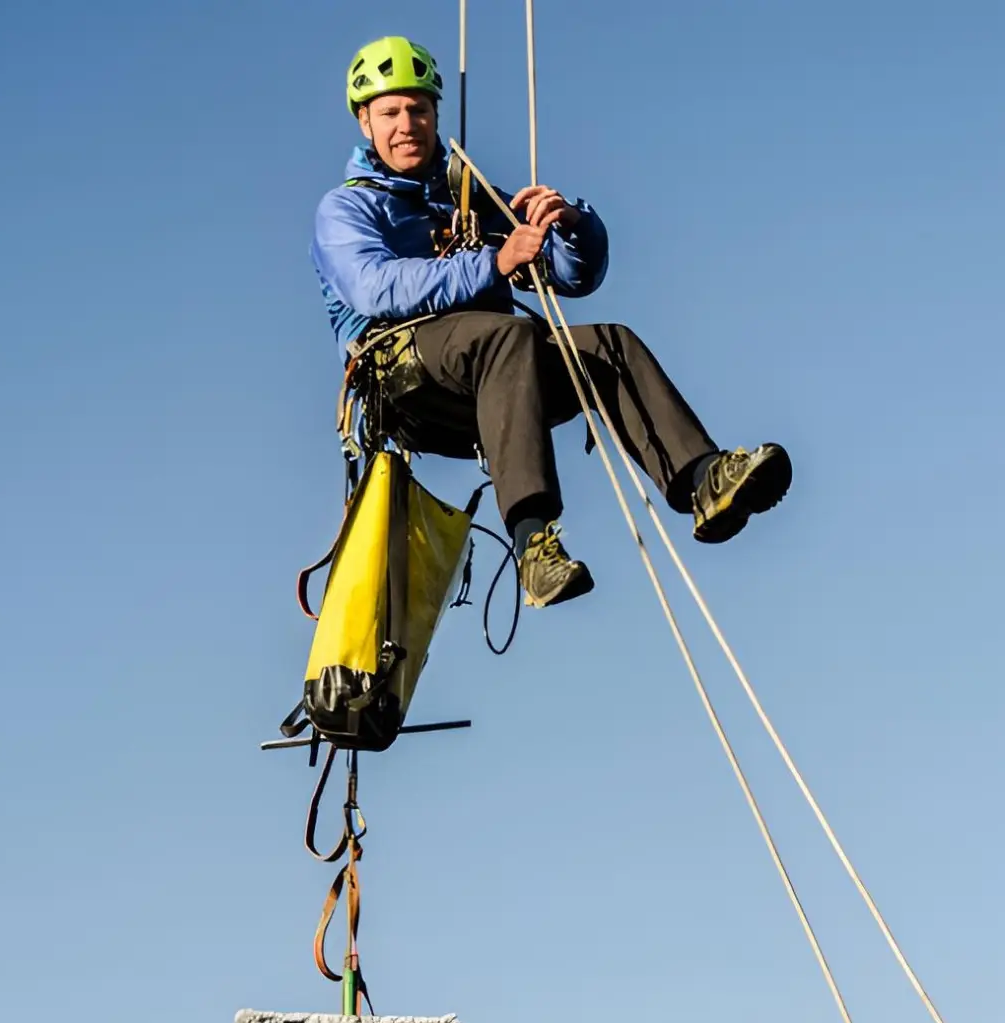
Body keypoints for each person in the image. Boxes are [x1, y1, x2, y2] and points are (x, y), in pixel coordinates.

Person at [310, 35, 793, 608]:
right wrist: (492, 261)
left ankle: (700, 479)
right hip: (406, 381)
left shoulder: (468, 196)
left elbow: (572, 276)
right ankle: (532, 543)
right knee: (511, 335)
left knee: (608, 346)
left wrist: (569, 224)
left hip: (491, 376)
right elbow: (374, 287)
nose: (407, 124)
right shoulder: (347, 209)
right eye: (390, 112)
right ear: (365, 124)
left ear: (436, 115)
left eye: (418, 109)